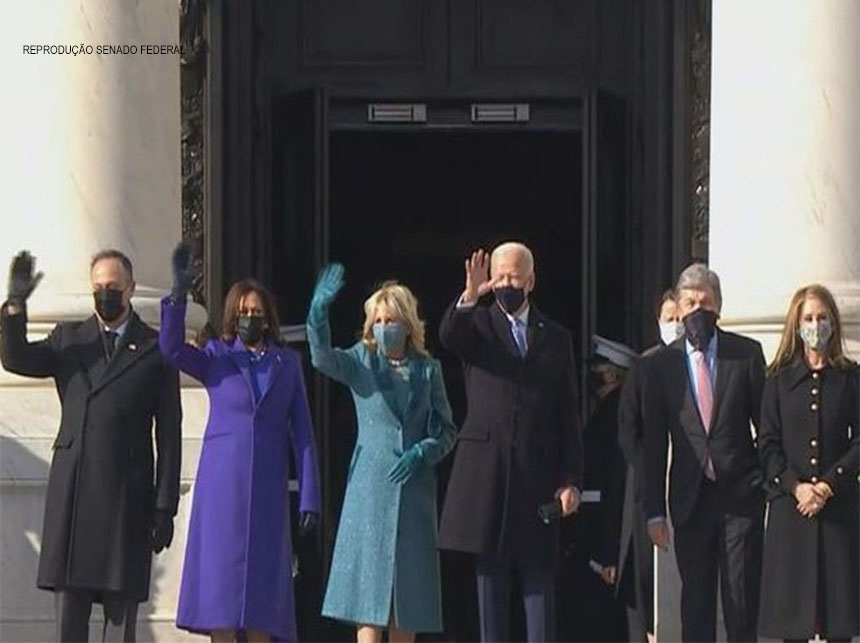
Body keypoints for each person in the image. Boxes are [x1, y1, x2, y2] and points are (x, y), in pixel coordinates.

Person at [0, 250, 181, 642]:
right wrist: (14, 307)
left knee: (118, 625)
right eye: (98, 287)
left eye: (113, 287)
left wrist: (165, 507)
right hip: (75, 497)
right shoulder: (69, 339)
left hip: (126, 499)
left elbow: (169, 433)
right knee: (70, 620)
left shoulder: (154, 348)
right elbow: (16, 359)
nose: (105, 294)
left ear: (130, 289)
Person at [160, 244, 320, 642]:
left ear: (268, 318)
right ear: (233, 316)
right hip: (222, 489)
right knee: (221, 597)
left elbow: (302, 434)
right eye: (244, 312)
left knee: (263, 602)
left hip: (267, 490)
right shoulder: (216, 356)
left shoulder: (287, 364)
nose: (251, 318)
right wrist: (178, 297)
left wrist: (309, 497)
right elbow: (171, 349)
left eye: (257, 312)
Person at [437, 242, 583, 643]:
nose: (505, 284)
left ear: (530, 281)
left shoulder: (556, 338)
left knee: (539, 599)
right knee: (491, 597)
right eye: (499, 276)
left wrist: (571, 479)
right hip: (489, 481)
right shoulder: (478, 326)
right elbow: (449, 335)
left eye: (513, 277)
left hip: (537, 483)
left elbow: (567, 416)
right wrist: (470, 295)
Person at [307, 264, 457, 643]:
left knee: (407, 601)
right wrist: (317, 315)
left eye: (391, 320)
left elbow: (447, 430)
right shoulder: (360, 361)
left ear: (407, 324)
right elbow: (322, 358)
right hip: (370, 491)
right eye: (378, 320)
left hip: (414, 494)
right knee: (368, 602)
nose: (384, 326)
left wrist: (423, 451)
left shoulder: (428, 370)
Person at [643, 263, 766, 642]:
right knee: (695, 608)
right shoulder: (660, 365)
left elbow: (766, 427)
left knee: (740, 604)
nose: (698, 310)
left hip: (740, 499)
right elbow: (654, 442)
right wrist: (654, 512)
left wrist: (765, 484)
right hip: (690, 499)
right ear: (679, 308)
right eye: (690, 303)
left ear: (719, 307)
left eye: (705, 302)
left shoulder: (746, 354)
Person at [757, 284, 858, 642]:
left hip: (838, 511)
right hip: (792, 512)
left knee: (839, 623)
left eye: (822, 318)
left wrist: (829, 484)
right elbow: (767, 444)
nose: (816, 326)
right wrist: (795, 486)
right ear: (797, 325)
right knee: (794, 625)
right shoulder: (778, 380)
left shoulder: (850, 377)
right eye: (809, 319)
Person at [562, 335, 636, 642]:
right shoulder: (606, 412)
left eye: (597, 371)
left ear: (611, 374)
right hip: (594, 534)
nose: (591, 377)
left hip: (602, 535)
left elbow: (616, 483)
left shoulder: (615, 416)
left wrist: (609, 552)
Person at [616, 289, 680, 641]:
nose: (677, 324)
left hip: (691, 485)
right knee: (645, 578)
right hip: (648, 489)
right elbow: (628, 428)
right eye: (670, 318)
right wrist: (650, 469)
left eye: (681, 318)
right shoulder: (644, 367)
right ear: (658, 322)